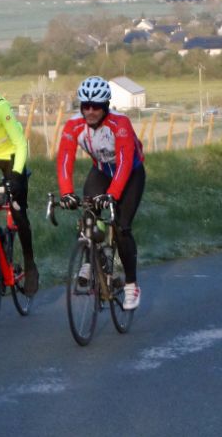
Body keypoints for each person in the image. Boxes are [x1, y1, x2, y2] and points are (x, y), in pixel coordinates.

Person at [56, 76, 145, 310]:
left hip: (131, 174)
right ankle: (90, 260)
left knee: (122, 228)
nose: (90, 111)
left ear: (105, 106)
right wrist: (66, 192)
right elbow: (64, 159)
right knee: (88, 213)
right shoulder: (73, 125)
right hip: (102, 171)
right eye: (85, 106)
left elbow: (125, 162)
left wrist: (113, 194)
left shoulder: (120, 123)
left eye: (96, 106)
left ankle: (131, 285)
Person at [0, 90, 38, 297]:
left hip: (11, 155)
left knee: (18, 212)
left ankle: (30, 264)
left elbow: (20, 143)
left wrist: (16, 177)